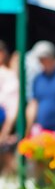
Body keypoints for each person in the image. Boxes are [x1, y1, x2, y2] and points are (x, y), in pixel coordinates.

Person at [0, 44, 19, 173]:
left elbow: (12, 109)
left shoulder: (9, 76)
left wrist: (4, 133)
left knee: (7, 164)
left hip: (4, 126)